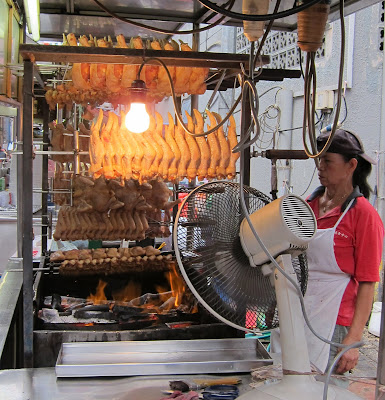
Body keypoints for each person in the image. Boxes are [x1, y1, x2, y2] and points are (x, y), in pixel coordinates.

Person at [303, 129, 384, 377]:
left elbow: (368, 282)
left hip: (335, 319)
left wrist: (353, 339)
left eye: (327, 161)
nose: (320, 166)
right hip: (300, 309)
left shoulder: (363, 215)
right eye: (319, 160)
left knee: (323, 390)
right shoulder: (308, 206)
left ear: (351, 165)